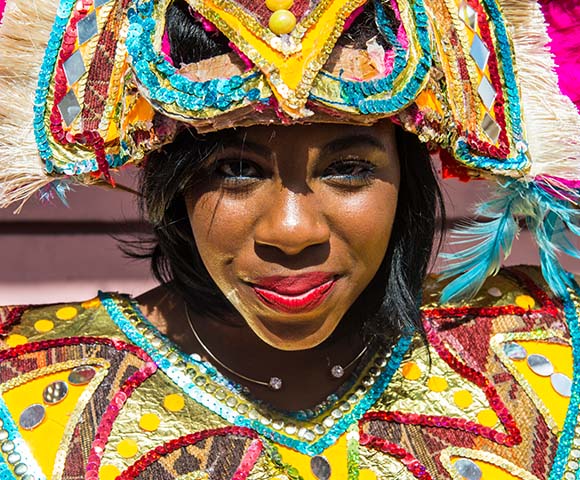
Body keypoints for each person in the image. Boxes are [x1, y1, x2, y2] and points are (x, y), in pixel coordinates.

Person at [0, 0, 580, 479]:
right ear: (173, 183)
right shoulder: (22, 388)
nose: (292, 232)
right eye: (236, 170)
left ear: (408, 178)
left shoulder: (545, 358)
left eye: (349, 169)